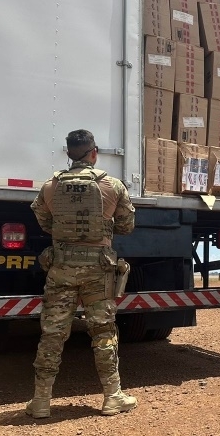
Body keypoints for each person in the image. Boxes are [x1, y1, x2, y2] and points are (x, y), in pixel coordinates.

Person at [26, 129, 137, 418]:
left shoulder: (50, 186)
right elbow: (126, 225)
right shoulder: (112, 185)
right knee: (103, 332)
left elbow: (45, 222)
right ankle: (113, 397)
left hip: (61, 268)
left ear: (68, 153)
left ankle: (40, 402)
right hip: (98, 271)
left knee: (52, 333)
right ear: (94, 152)